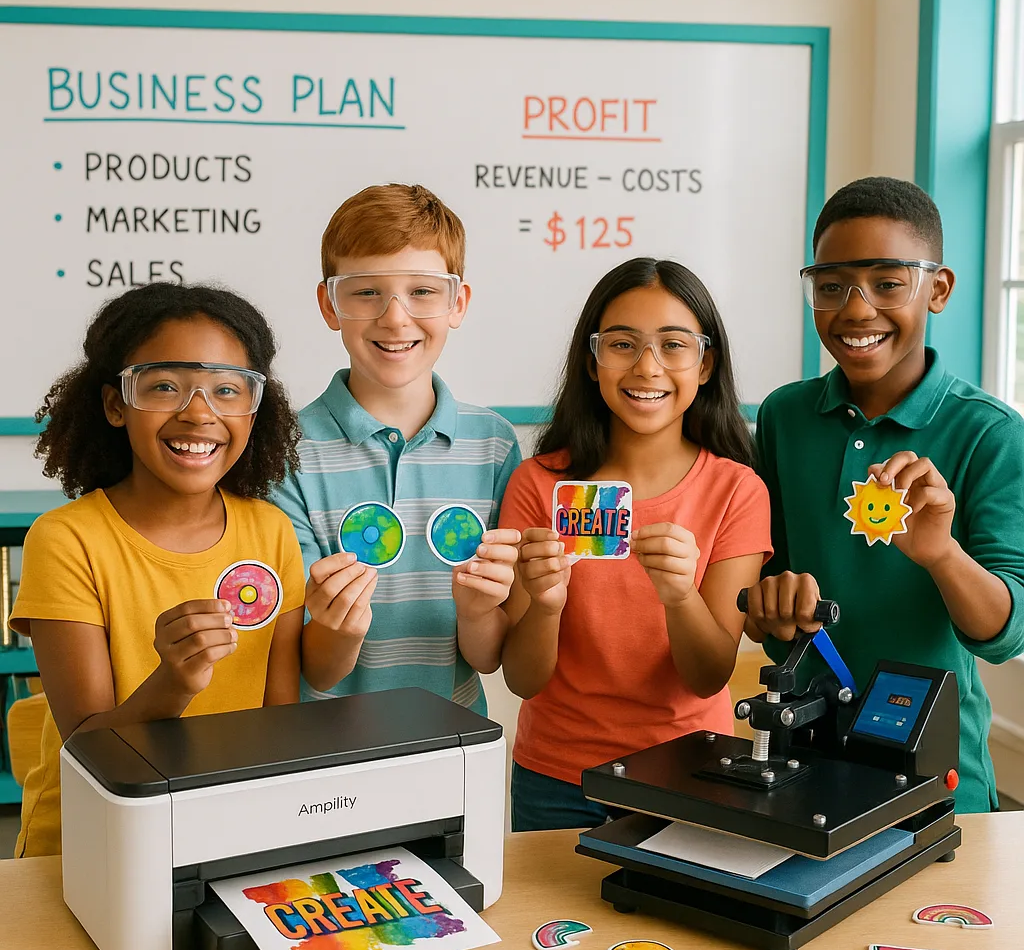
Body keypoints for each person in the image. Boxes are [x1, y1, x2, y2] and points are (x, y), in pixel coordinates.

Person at [744, 176, 1024, 813]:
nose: (856, 308)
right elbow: (772, 585)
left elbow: (1005, 634)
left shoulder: (991, 432)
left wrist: (941, 555)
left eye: (888, 283)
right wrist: (771, 608)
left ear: (939, 289)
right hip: (802, 756)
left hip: (938, 770)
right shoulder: (785, 416)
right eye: (831, 284)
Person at [10, 283, 305, 856]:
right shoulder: (67, 540)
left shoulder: (270, 531)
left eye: (226, 389)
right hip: (92, 844)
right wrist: (174, 682)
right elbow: (89, 747)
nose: (199, 413)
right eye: (165, 386)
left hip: (222, 830)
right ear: (116, 404)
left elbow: (279, 723)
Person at [498, 257, 772, 830]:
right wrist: (545, 606)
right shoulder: (538, 483)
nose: (648, 368)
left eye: (674, 345)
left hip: (690, 772)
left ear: (705, 363)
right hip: (555, 776)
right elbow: (523, 679)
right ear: (592, 361)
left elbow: (709, 675)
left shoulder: (737, 490)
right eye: (623, 344)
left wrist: (680, 597)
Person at [273, 184, 521, 714]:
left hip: (450, 743)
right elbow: (316, 667)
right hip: (324, 752)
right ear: (329, 304)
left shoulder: (494, 446)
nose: (395, 317)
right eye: (366, 291)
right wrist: (338, 625)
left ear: (458, 303)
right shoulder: (285, 451)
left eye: (423, 291)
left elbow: (487, 657)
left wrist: (479, 611)